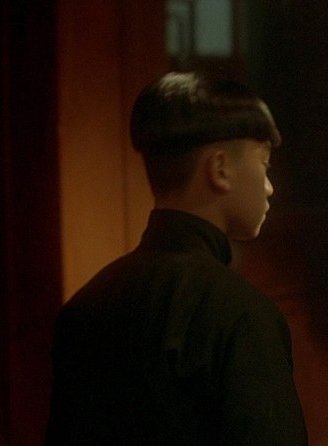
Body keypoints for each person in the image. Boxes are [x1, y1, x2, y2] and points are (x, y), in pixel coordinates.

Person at [45, 72, 308, 445]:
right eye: (264, 163)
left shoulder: (85, 306)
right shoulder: (241, 316)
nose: (269, 187)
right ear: (220, 169)